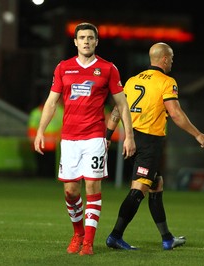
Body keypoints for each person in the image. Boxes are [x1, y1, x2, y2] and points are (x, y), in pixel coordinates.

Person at [34, 22, 135, 256]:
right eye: (82, 37)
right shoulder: (63, 68)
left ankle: (88, 242)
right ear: (75, 42)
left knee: (92, 186)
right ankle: (78, 233)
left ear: (96, 41)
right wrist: (41, 130)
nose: (86, 41)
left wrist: (128, 136)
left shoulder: (108, 69)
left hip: (94, 137)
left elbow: (122, 104)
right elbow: (51, 102)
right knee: (71, 192)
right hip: (69, 138)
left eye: (91, 37)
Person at [105, 42, 204, 251]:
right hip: (149, 142)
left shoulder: (132, 80)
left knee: (157, 185)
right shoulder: (166, 82)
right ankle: (115, 236)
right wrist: (197, 134)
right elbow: (175, 113)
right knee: (138, 190)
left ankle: (167, 238)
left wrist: (107, 136)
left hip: (132, 136)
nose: (172, 61)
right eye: (170, 58)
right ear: (163, 59)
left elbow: (117, 111)